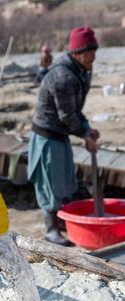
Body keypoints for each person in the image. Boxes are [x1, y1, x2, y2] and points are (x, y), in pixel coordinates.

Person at [28, 26, 99, 246]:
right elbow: (67, 115)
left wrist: (86, 128)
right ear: (76, 53)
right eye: (88, 52)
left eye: (94, 51)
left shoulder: (81, 70)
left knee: (65, 180)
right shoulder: (63, 76)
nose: (93, 56)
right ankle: (50, 229)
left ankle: (62, 222)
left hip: (61, 132)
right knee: (51, 182)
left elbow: (75, 110)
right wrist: (84, 135)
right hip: (47, 135)